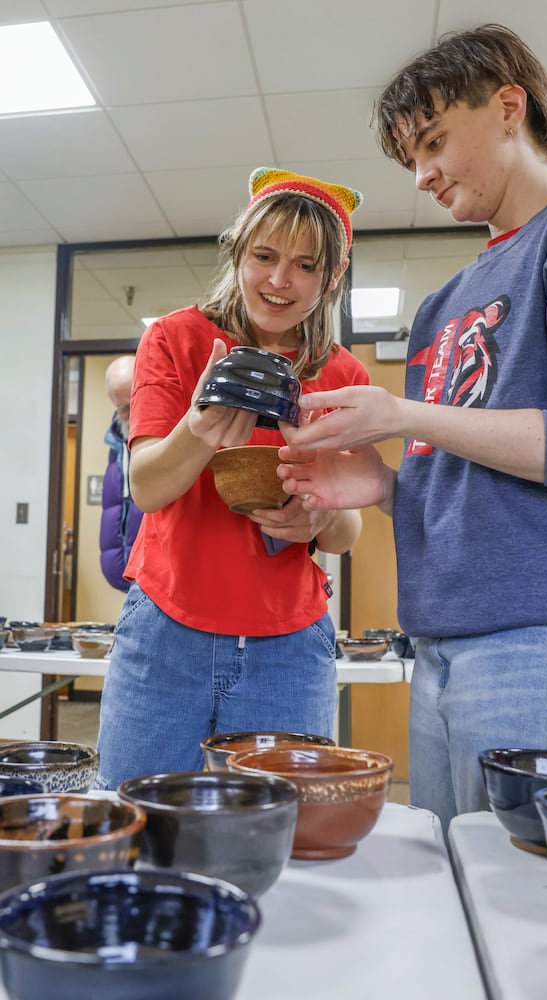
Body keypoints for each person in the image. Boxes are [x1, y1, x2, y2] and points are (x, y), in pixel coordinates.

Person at [277, 24, 547, 836]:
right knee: (457, 895)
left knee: (530, 918)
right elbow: (465, 469)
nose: (421, 175)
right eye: (408, 158)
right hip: (433, 646)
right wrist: (386, 486)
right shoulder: (442, 303)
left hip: (545, 638)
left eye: (432, 142)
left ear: (506, 108)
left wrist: (399, 413)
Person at [95, 167, 369, 789]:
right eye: (264, 256)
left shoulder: (343, 372)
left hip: (290, 647)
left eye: (305, 265)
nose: (279, 280)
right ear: (239, 254)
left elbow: (346, 534)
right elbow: (147, 488)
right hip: (167, 631)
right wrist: (199, 426)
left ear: (330, 279)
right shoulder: (174, 339)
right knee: (140, 820)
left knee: (281, 831)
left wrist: (320, 514)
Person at [99, 355, 143, 592]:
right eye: (123, 407)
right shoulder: (116, 442)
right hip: (127, 575)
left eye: (136, 401)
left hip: (156, 575)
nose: (131, 414)